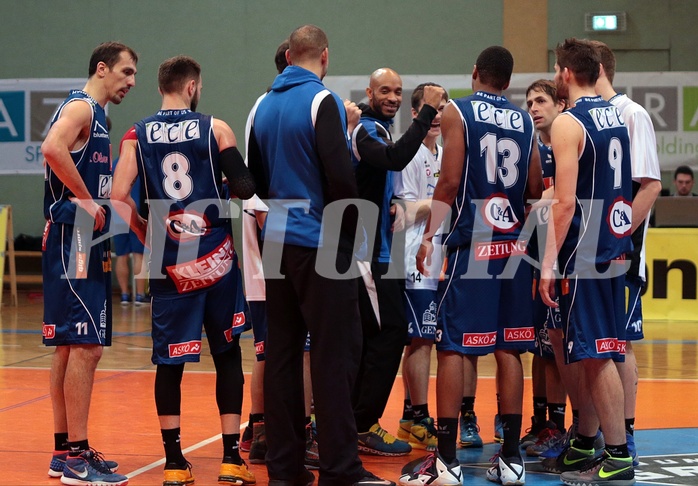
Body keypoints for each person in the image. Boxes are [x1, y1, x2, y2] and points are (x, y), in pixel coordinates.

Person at [247, 24, 394, 486]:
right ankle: (339, 469)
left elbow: (252, 178)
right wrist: (346, 240)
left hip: (276, 244)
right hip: (318, 242)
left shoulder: (262, 103)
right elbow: (340, 177)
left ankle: (284, 470)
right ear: (324, 57)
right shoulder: (322, 100)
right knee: (335, 357)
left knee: (283, 356)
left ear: (289, 55)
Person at [400, 45, 543, 486]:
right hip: (515, 246)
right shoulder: (525, 121)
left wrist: (428, 237)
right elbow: (536, 187)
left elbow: (449, 181)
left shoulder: (458, 113)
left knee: (455, 348)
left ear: (476, 71)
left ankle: (445, 461)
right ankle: (513, 460)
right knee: (509, 348)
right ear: (509, 79)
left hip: (472, 246)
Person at [111, 55, 256, 486]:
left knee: (168, 363)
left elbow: (119, 196)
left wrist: (145, 231)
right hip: (215, 258)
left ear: (163, 86)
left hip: (168, 260)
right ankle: (231, 459)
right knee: (227, 355)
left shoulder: (136, 134)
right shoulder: (216, 128)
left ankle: (174, 463)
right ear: (192, 87)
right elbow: (245, 188)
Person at [539, 38, 635, 486]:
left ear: (563, 73)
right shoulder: (615, 114)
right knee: (606, 350)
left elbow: (563, 204)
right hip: (614, 243)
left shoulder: (568, 123)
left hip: (586, 251)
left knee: (596, 356)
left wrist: (547, 263)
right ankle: (586, 441)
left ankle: (616, 455)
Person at [41, 41, 136, 485]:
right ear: (102, 68)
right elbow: (51, 148)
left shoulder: (98, 117)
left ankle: (65, 450)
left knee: (67, 346)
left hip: (81, 232)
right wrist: (83, 198)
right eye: (126, 72)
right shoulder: (80, 108)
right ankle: (77, 460)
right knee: (87, 346)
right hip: (75, 232)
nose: (131, 82)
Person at [350, 68, 445, 457]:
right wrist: (427, 114)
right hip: (365, 252)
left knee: (376, 336)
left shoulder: (378, 128)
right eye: (384, 91)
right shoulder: (368, 130)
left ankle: (351, 420)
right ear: (370, 92)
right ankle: (358, 424)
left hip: (379, 250)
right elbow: (392, 159)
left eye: (397, 91)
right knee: (390, 333)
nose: (391, 97)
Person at [240, 38, 319, 471]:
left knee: (270, 348)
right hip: (280, 240)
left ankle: (264, 430)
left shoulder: (264, 106)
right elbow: (254, 183)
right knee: (290, 348)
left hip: (269, 239)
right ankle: (281, 431)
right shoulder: (277, 107)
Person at [593, 39, 662, 467]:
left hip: (622, 250)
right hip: (587, 252)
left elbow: (649, 184)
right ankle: (593, 431)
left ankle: (627, 434)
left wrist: (619, 236)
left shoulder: (631, 113)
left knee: (620, 344)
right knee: (593, 346)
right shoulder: (583, 117)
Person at [394, 83, 448, 452]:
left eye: (443, 108)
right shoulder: (409, 154)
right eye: (431, 108)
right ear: (416, 115)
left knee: (426, 338)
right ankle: (419, 416)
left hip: (439, 257)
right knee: (420, 338)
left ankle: (407, 416)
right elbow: (405, 211)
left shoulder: (444, 153)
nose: (437, 115)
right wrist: (445, 198)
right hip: (414, 256)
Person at [520, 80, 569, 458]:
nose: (534, 107)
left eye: (541, 101)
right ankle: (540, 423)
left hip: (565, 257)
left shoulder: (569, 146)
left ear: (559, 104)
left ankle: (559, 423)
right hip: (535, 258)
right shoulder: (531, 149)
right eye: (529, 102)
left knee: (557, 346)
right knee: (538, 346)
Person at [111, 137, 148, 306]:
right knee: (139, 254)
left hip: (118, 212)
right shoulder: (142, 164)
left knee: (121, 255)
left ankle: (125, 294)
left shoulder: (114, 164)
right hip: (137, 211)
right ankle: (140, 295)